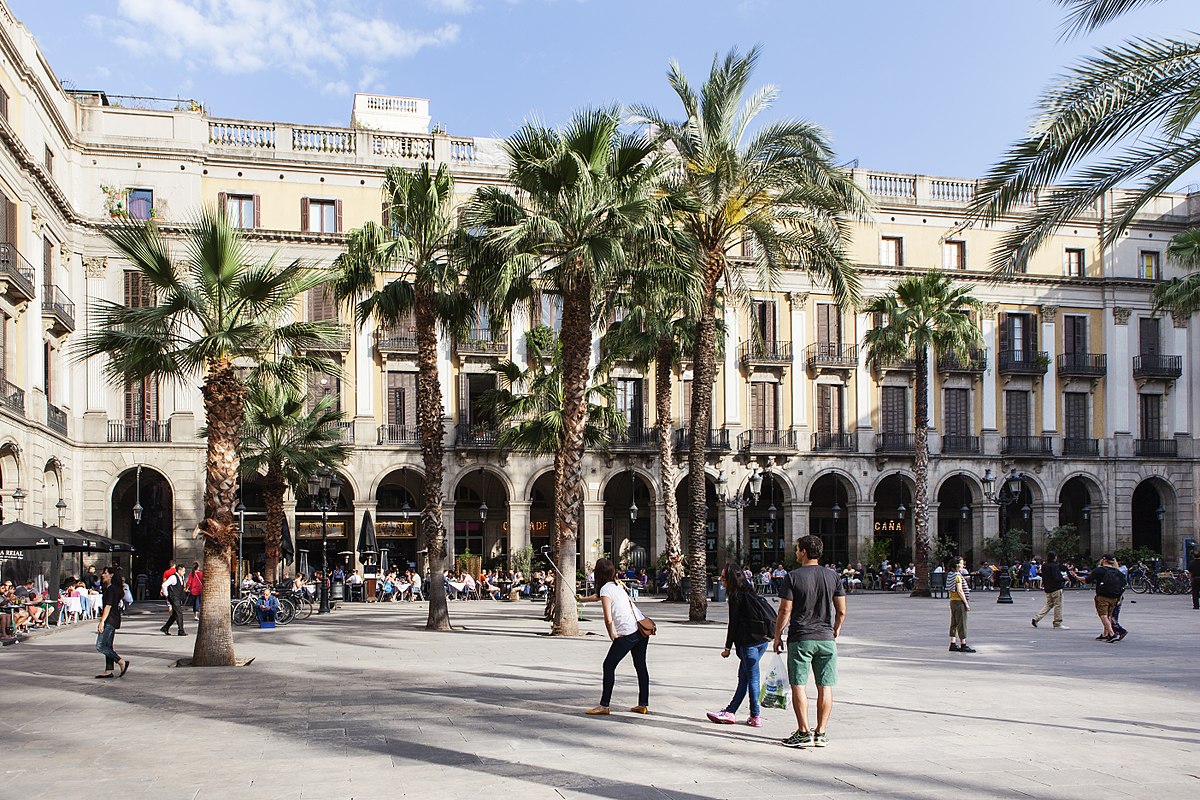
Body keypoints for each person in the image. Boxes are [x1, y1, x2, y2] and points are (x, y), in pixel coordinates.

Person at [774, 535, 846, 749]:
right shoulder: (833, 576)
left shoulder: (793, 577)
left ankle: (804, 732)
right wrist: (836, 628)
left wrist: (778, 634)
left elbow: (785, 609)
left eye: (797, 549)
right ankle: (821, 733)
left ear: (804, 551)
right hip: (826, 639)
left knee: (799, 685)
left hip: (801, 638)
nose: (796, 553)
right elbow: (841, 610)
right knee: (826, 686)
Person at [578, 558, 650, 716]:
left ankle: (604, 705)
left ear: (598, 573)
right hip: (641, 629)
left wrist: (612, 635)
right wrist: (582, 599)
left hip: (627, 632)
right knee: (640, 666)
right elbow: (599, 596)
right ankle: (643, 704)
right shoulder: (617, 585)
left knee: (608, 665)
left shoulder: (606, 589)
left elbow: (608, 618)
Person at [707, 563, 773, 727]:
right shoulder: (749, 590)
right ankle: (730, 711)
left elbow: (733, 623)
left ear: (730, 579)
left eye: (723, 577)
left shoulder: (736, 596)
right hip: (761, 641)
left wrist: (727, 648)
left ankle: (755, 715)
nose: (721, 580)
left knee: (752, 678)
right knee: (744, 678)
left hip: (748, 643)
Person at [95, 567, 130, 679]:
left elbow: (108, 606)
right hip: (114, 619)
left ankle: (120, 661)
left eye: (105, 573)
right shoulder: (113, 588)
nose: (103, 575)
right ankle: (108, 669)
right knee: (108, 645)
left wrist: (101, 621)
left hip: (110, 619)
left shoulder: (111, 589)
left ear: (111, 575)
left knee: (100, 645)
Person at [1088, 554, 1125, 642]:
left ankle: (1112, 634)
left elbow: (1087, 580)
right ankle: (1106, 633)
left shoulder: (1099, 570)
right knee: (1109, 615)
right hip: (1115, 597)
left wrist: (1076, 576)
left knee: (1103, 615)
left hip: (1103, 596)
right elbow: (1123, 584)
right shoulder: (1118, 572)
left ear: (1104, 560)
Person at [1031, 551, 1068, 629]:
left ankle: (1037, 618)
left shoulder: (1044, 566)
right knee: (1058, 605)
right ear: (1054, 557)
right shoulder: (1054, 566)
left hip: (1048, 588)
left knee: (1049, 604)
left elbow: (1043, 576)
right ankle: (1057, 623)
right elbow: (1057, 578)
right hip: (1056, 588)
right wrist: (1064, 579)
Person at [947, 556, 975, 653]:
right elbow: (959, 590)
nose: (963, 565)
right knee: (962, 623)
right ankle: (963, 644)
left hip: (952, 601)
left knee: (954, 622)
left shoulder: (950, 574)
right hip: (959, 602)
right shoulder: (957, 576)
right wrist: (966, 603)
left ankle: (953, 643)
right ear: (958, 565)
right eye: (962, 563)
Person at [160, 564, 187, 636]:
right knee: (179, 613)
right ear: (179, 570)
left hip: (178, 597)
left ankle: (165, 627)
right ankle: (181, 630)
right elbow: (164, 585)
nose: (184, 572)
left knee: (175, 614)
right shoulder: (173, 577)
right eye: (183, 571)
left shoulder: (182, 577)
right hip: (174, 597)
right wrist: (166, 594)